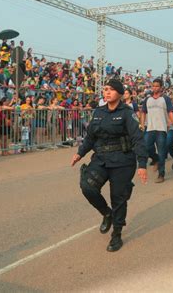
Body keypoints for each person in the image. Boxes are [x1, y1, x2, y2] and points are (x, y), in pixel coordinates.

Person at [71, 79, 147, 252]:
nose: (107, 92)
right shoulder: (98, 112)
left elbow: (137, 138)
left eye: (111, 90)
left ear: (120, 93)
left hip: (123, 161)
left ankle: (117, 235)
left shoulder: (127, 113)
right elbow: (90, 137)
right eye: (105, 89)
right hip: (101, 158)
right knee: (87, 186)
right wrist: (80, 153)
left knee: (118, 198)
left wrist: (142, 163)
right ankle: (107, 213)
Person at [140, 78, 173, 183]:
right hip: (150, 128)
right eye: (153, 86)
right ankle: (156, 159)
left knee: (162, 152)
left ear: (161, 87)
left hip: (161, 129)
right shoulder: (147, 99)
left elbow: (171, 113)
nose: (155, 88)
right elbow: (143, 112)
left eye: (157, 86)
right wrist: (142, 124)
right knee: (145, 147)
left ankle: (161, 174)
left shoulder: (165, 99)